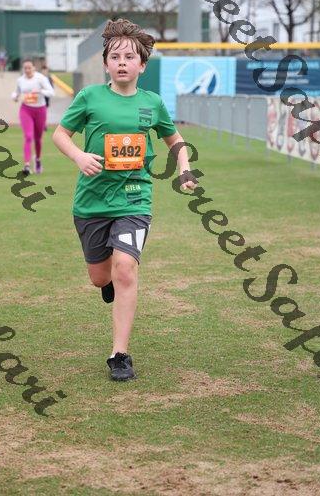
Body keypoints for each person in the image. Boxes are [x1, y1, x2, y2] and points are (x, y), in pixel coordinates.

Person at [52, 19, 198, 382]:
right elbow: (60, 134)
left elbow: (175, 140)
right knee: (100, 277)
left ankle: (119, 354)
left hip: (135, 200)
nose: (122, 62)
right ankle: (108, 284)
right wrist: (79, 156)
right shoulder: (89, 98)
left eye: (129, 57)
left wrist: (185, 169)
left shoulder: (152, 103)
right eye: (115, 57)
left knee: (125, 270)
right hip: (91, 203)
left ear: (142, 65)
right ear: (106, 64)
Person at [12, 59, 54, 175]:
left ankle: (38, 160)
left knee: (38, 139)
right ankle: (26, 165)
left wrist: (40, 91)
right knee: (28, 136)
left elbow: (51, 92)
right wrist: (15, 97)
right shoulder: (20, 80)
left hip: (40, 110)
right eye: (25, 68)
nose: (27, 70)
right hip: (26, 109)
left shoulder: (41, 78)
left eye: (29, 68)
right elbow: (16, 92)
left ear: (34, 68)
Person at [41, 64, 54, 131]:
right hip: (40, 97)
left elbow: (52, 87)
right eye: (43, 70)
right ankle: (42, 125)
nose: (44, 71)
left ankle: (44, 125)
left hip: (46, 97)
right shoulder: (39, 78)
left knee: (45, 111)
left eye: (45, 70)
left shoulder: (49, 78)